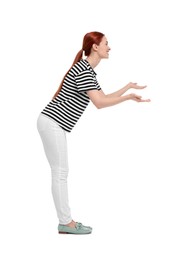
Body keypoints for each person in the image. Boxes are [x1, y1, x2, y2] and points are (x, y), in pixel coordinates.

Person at [37, 31, 150, 235]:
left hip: (54, 124)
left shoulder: (88, 71)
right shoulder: (84, 70)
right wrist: (126, 98)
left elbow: (103, 96)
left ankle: (65, 221)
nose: (109, 47)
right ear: (95, 47)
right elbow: (99, 104)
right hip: (52, 122)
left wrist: (128, 90)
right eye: (107, 43)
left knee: (60, 172)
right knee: (60, 172)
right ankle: (66, 222)